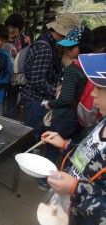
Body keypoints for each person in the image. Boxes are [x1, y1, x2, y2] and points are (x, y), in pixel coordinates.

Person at [41, 53, 106, 225]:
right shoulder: (102, 122)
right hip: (66, 208)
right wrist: (65, 144)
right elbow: (87, 154)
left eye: (99, 88)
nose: (92, 93)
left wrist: (75, 188)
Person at [40, 26, 94, 191]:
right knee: (71, 148)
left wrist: (49, 104)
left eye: (72, 47)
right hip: (79, 116)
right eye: (66, 47)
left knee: (52, 148)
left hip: (63, 116)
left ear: (82, 47)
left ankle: (46, 181)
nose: (67, 51)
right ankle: (66, 178)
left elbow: (64, 99)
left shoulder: (73, 69)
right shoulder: (90, 67)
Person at [20, 12, 80, 150]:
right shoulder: (44, 48)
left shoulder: (49, 43)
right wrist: (55, 91)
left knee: (35, 132)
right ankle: (23, 159)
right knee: (31, 134)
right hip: (35, 100)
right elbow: (37, 80)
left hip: (37, 99)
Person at [3, 13, 31, 119]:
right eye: (9, 27)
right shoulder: (3, 39)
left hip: (16, 76)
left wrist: (17, 55)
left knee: (11, 100)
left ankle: (10, 123)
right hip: (3, 74)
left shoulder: (25, 40)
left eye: (13, 27)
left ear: (19, 27)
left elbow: (29, 57)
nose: (10, 30)